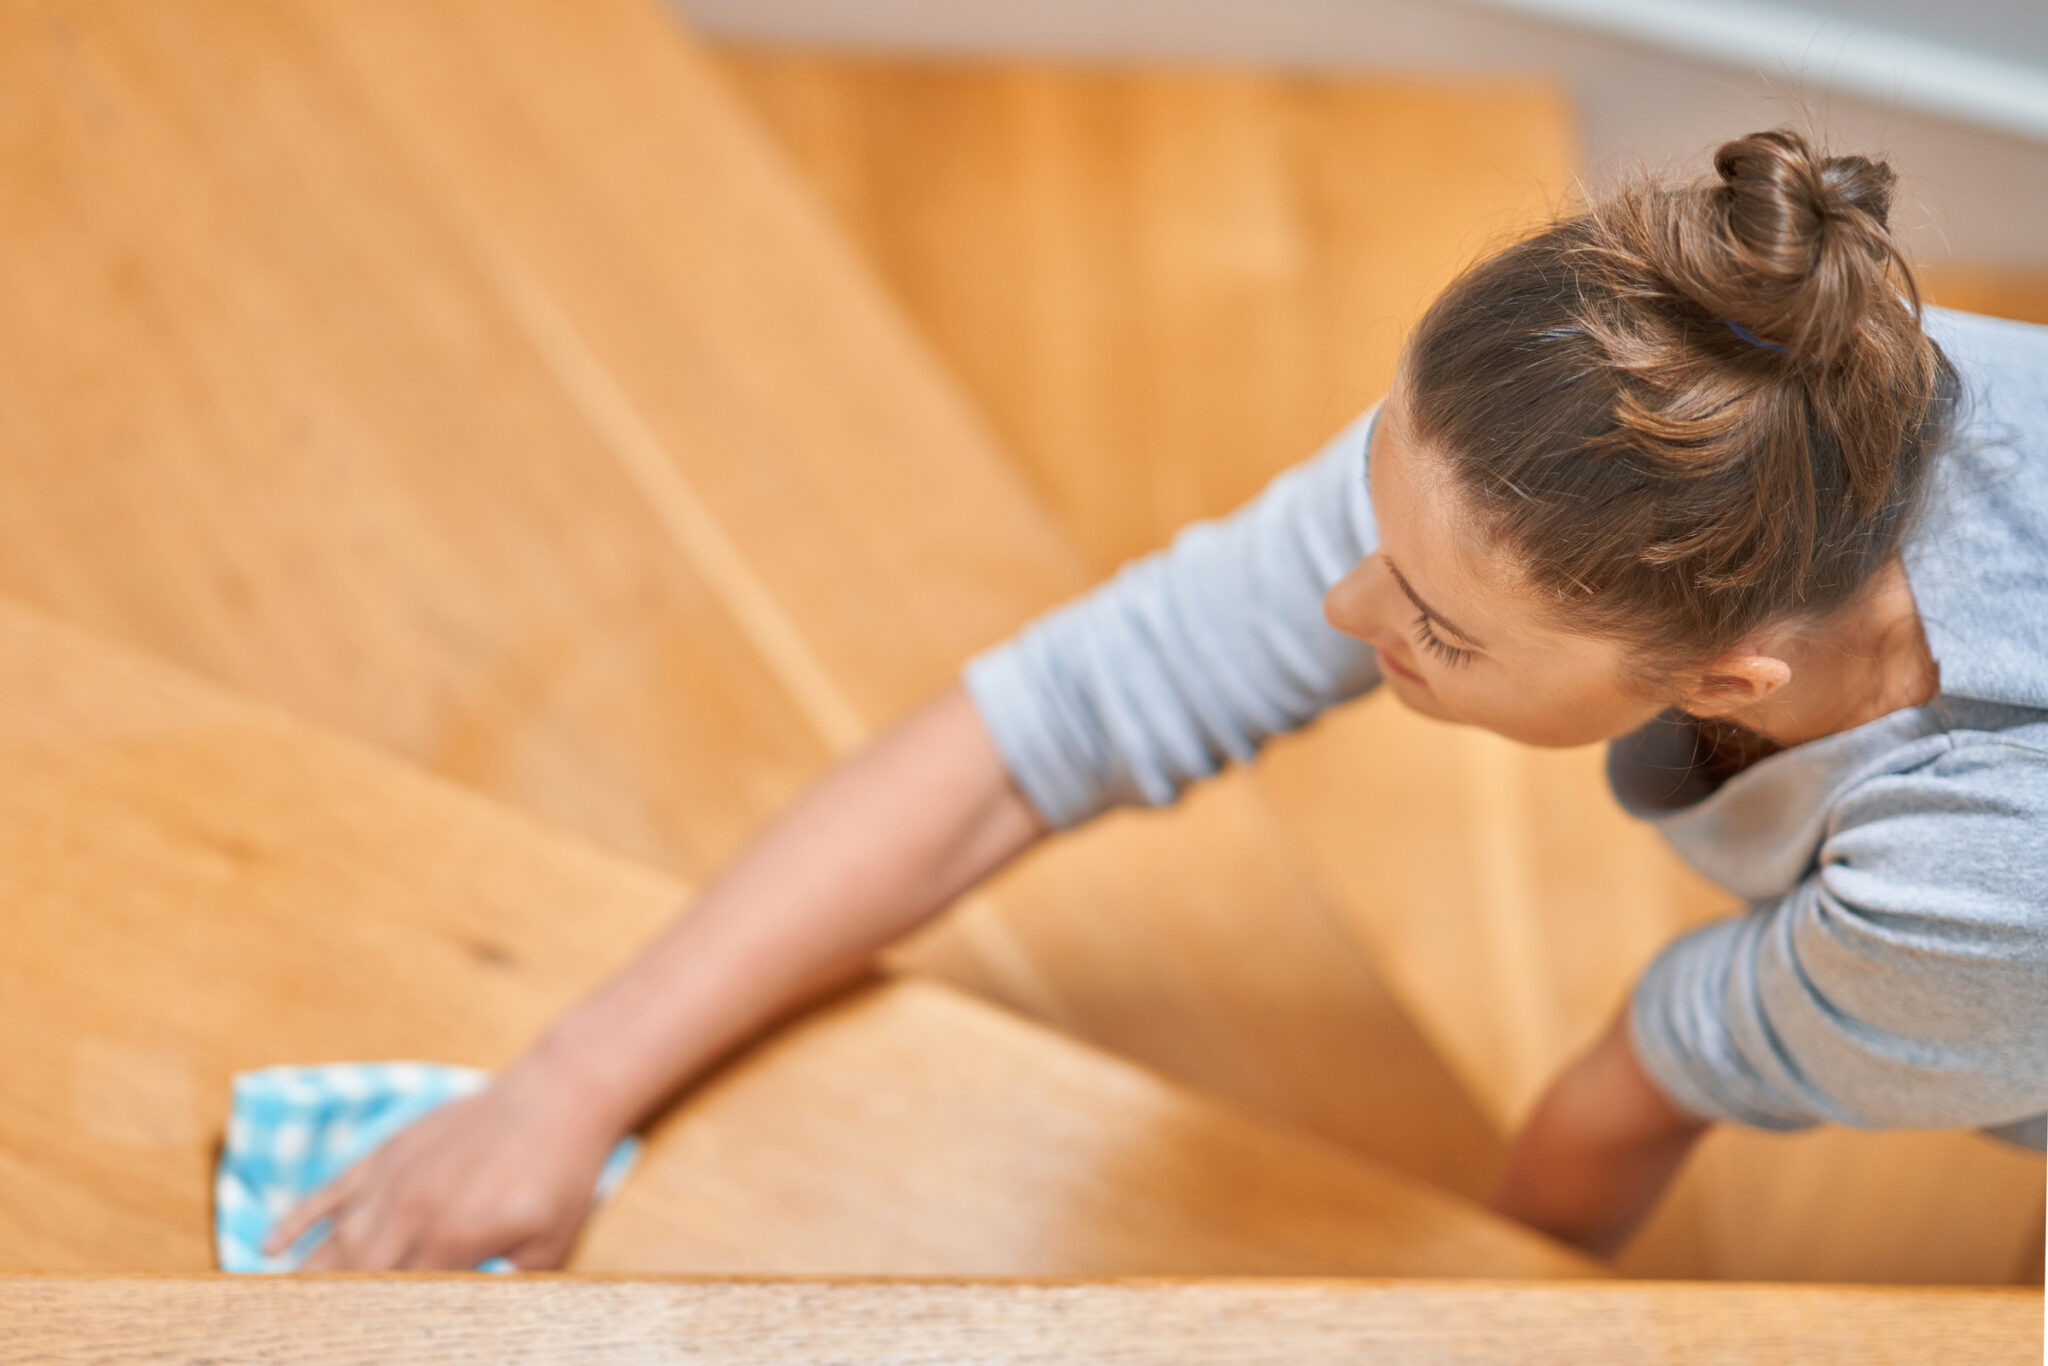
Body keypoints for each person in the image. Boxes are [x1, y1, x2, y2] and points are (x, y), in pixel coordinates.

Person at [264, 126, 2048, 1271]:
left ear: (1732, 681)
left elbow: (1635, 1091)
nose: (1347, 611)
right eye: (1373, 515)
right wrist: (564, 1085)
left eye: (1433, 623)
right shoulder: (1764, 389)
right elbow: (1077, 704)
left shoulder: (1971, 886)